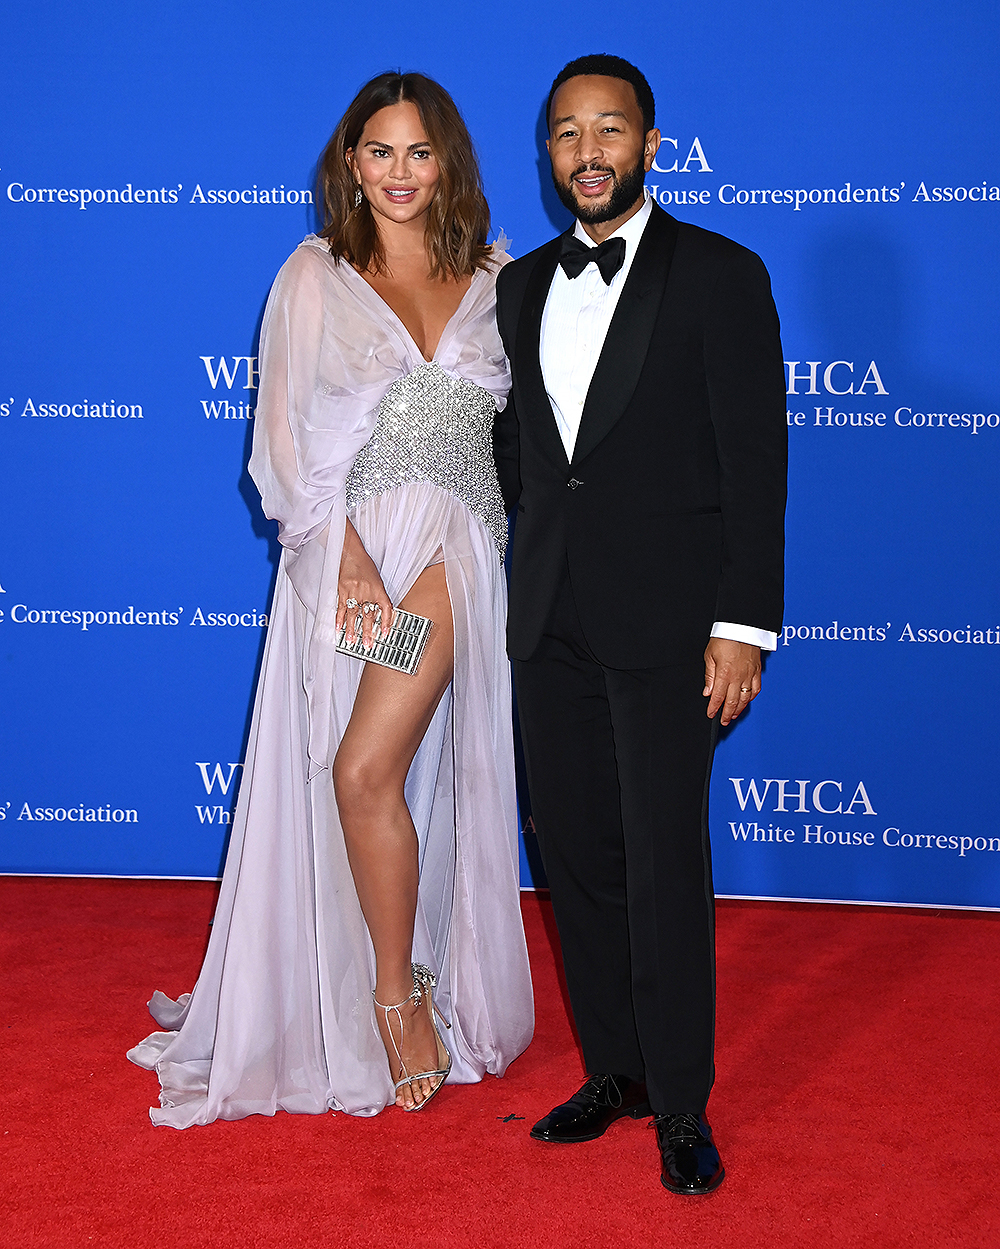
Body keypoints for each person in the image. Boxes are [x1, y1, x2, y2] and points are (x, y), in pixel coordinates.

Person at [128, 72, 533, 1126]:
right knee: (351, 776)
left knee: (366, 764)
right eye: (379, 151)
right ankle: (369, 983)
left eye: (419, 152)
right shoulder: (315, 274)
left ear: (448, 162)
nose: (399, 173)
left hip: (456, 547)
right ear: (350, 162)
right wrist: (346, 555)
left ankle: (398, 992)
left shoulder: (500, 278)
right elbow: (285, 442)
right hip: (346, 556)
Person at [493, 54, 786, 1192]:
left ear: (651, 144)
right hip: (549, 614)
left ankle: (679, 1099)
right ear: (548, 153)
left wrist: (743, 622)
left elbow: (756, 462)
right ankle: (611, 1068)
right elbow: (526, 460)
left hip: (673, 621)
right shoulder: (520, 290)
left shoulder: (720, 273)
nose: (587, 153)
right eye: (565, 134)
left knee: (665, 860)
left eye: (607, 130)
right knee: (575, 853)